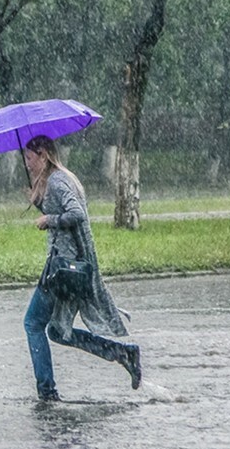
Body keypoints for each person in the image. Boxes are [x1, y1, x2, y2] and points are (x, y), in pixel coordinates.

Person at [22, 135, 141, 401]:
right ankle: (122, 353)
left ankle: (47, 391)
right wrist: (39, 201)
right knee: (57, 331)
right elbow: (59, 207)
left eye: (30, 158)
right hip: (67, 265)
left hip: (63, 267)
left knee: (32, 324)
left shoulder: (58, 180)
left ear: (42, 155)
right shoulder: (58, 179)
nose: (27, 164)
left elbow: (76, 214)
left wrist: (49, 219)